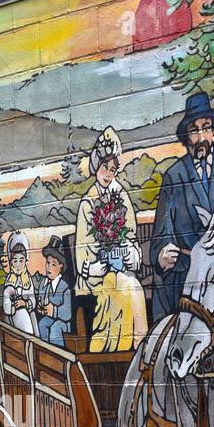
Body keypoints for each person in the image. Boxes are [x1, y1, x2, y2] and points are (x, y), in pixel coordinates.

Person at [151, 92, 214, 322]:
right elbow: (160, 238)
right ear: (186, 136)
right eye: (195, 130)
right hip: (190, 274)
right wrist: (161, 256)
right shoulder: (174, 176)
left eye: (206, 127)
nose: (202, 136)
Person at [75, 127, 147, 352]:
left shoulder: (122, 197)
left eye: (113, 169)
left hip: (122, 271)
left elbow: (132, 237)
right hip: (95, 277)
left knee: (132, 286)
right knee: (120, 287)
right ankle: (114, 351)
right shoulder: (88, 202)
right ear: (97, 166)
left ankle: (139, 348)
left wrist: (129, 252)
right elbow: (82, 254)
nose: (108, 174)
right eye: (104, 167)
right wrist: (94, 266)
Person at [36, 236, 73, 347]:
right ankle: (46, 352)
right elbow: (40, 300)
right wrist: (40, 308)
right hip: (50, 318)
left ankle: (59, 355)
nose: (49, 267)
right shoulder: (44, 283)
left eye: (53, 264)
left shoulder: (64, 286)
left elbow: (67, 314)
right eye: (47, 263)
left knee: (55, 327)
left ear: (61, 266)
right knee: (42, 323)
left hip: (65, 323)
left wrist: (54, 311)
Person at [2, 232, 38, 335]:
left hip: (28, 311)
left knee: (33, 324)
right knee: (22, 316)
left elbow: (33, 299)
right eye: (15, 260)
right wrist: (13, 307)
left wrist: (25, 303)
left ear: (25, 261)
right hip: (13, 315)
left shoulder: (27, 278)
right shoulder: (10, 279)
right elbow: (6, 303)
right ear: (11, 262)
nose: (18, 265)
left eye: (21, 260)